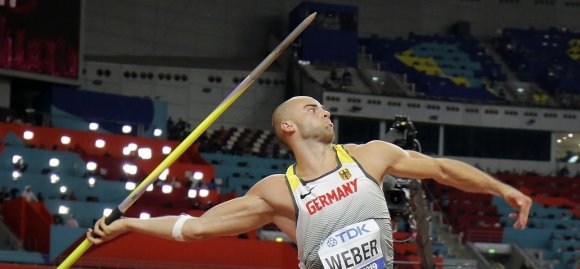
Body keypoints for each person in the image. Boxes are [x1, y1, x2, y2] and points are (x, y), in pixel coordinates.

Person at [88, 96, 532, 269]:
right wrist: (128, 225)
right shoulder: (276, 192)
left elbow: (441, 169)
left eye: (324, 108)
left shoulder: (368, 156)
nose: (325, 112)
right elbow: (196, 228)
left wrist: (501, 188)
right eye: (311, 107)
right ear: (288, 128)